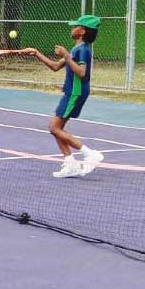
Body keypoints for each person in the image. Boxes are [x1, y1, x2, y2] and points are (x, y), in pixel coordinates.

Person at [19, 15, 103, 178]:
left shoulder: (83, 50)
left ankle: (90, 154)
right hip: (71, 92)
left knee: (54, 128)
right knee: (56, 129)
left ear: (82, 31)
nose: (72, 28)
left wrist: (67, 55)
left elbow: (81, 72)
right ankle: (70, 163)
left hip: (75, 93)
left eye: (75, 26)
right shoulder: (76, 49)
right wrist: (36, 53)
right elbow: (55, 66)